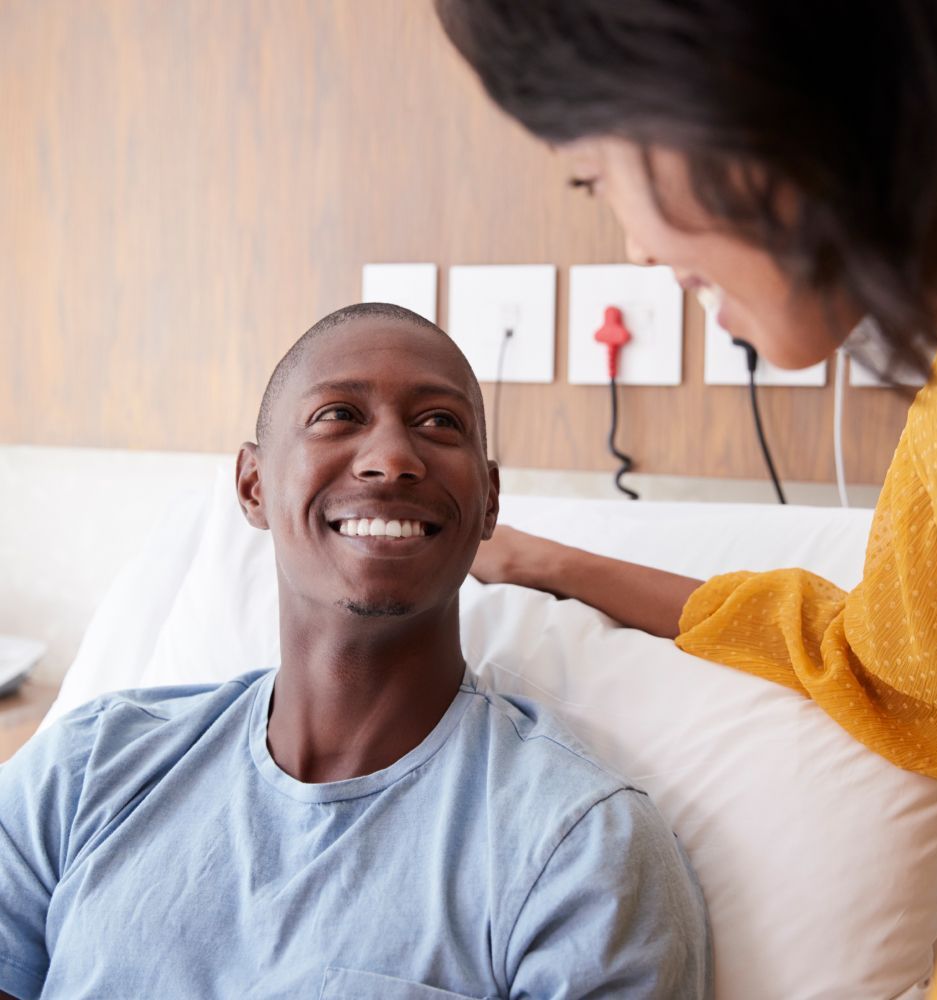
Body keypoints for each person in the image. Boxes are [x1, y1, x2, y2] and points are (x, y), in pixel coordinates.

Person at [435, 2, 937, 995]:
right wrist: (552, 564)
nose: (633, 253)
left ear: (733, 84)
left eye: (597, 176)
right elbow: (885, 669)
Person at [0, 303, 710, 1000]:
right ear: (253, 485)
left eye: (440, 423)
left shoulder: (580, 849)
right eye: (338, 415)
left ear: (490, 500)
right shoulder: (82, 770)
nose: (394, 458)